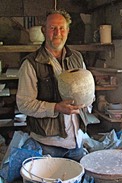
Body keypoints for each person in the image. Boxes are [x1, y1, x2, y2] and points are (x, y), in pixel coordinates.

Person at [16, 9, 93, 162]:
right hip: (47, 144)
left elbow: (88, 91)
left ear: (68, 31)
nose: (57, 32)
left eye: (61, 28)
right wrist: (56, 107)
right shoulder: (31, 63)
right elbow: (24, 104)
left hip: (76, 141)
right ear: (44, 31)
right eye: (52, 28)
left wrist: (87, 101)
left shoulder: (77, 58)